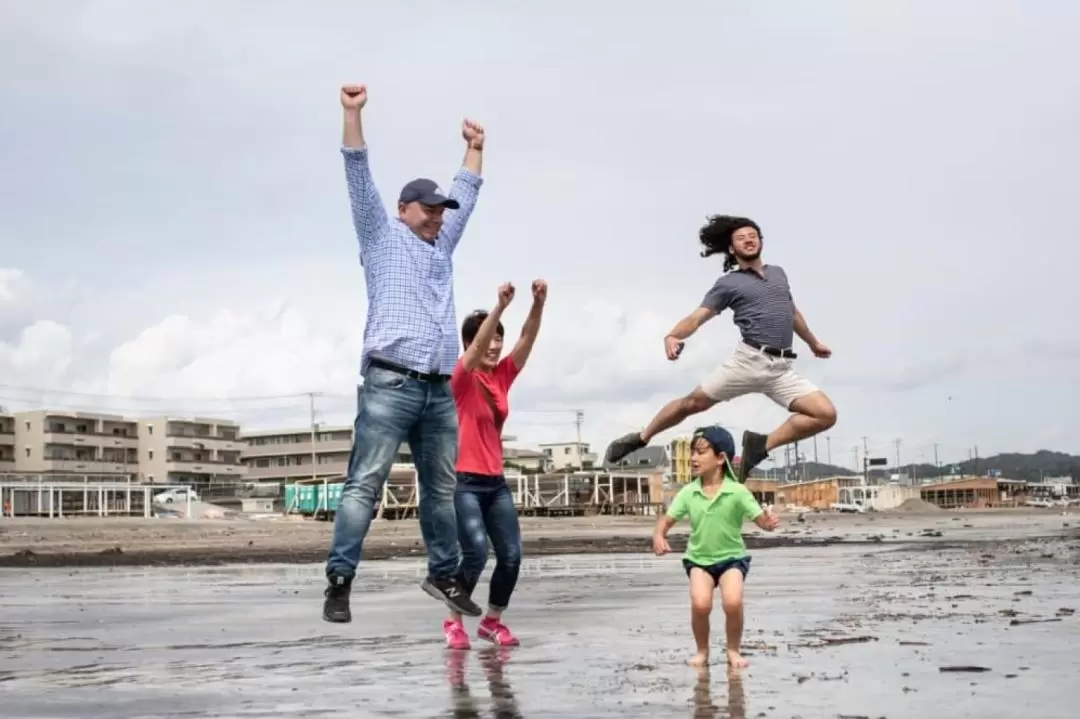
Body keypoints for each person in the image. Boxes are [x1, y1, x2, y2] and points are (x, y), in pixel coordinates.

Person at [323, 82, 487, 623]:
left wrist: (475, 147)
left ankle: (443, 575)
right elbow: (355, 171)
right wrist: (352, 113)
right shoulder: (379, 235)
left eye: (443, 209)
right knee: (364, 485)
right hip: (390, 383)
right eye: (431, 207)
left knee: (441, 490)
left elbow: (469, 190)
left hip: (438, 388)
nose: (440, 215)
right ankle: (340, 579)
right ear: (403, 209)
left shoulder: (443, 244)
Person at [603, 215, 837, 481]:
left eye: (753, 235)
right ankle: (640, 438)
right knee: (691, 403)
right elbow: (697, 317)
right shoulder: (729, 283)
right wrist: (673, 336)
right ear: (731, 248)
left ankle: (761, 445)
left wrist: (813, 342)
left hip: (782, 368)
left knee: (825, 414)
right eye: (741, 238)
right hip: (749, 361)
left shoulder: (778, 274)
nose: (749, 240)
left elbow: (791, 312)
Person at [443, 278, 547, 649]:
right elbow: (473, 351)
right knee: (474, 550)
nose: (496, 345)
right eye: (489, 338)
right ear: (472, 343)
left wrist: (538, 304)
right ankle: (453, 622)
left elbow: (527, 340)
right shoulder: (461, 376)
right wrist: (498, 307)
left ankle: (491, 621)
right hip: (464, 482)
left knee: (511, 555)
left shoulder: (501, 377)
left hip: (495, 483)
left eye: (499, 338)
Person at [652, 425, 780, 669]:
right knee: (701, 604)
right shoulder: (689, 492)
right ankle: (702, 651)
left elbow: (760, 520)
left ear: (721, 458)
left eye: (700, 453)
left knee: (732, 602)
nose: (693, 458)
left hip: (732, 558)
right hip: (699, 559)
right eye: (692, 453)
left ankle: (733, 651)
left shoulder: (737, 492)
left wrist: (768, 521)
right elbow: (666, 521)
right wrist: (659, 535)